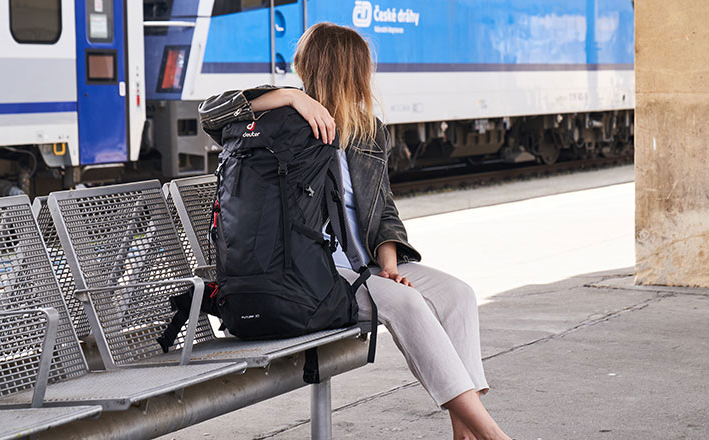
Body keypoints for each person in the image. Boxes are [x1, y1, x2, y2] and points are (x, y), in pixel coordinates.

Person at [200, 23, 511, 440]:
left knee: (458, 295)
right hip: (313, 275)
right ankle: (490, 434)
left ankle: (464, 432)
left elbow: (383, 209)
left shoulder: (370, 131)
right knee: (407, 304)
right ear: (354, 71)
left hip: (366, 266)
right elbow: (211, 113)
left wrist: (388, 264)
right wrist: (292, 96)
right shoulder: (287, 121)